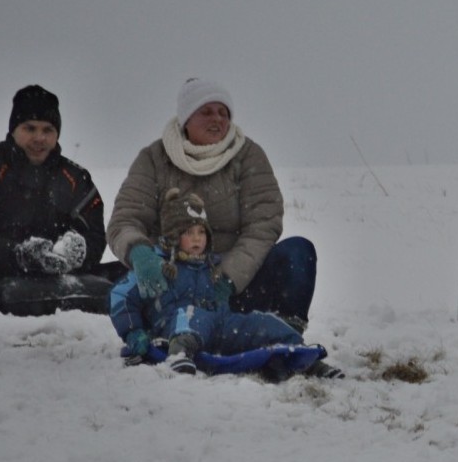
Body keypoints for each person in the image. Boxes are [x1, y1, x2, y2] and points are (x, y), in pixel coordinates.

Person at [107, 78, 316, 333]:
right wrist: (139, 252)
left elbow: (263, 225)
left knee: (298, 252)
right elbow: (125, 220)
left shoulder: (248, 156)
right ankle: (169, 331)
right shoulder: (153, 159)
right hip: (173, 289)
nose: (216, 119)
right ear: (186, 120)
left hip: (233, 289)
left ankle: (283, 335)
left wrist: (227, 279)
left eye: (223, 113)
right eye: (206, 112)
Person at [109, 188, 339, 380]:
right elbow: (121, 296)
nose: (197, 238)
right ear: (172, 236)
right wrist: (133, 332)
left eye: (201, 232)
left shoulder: (212, 266)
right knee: (191, 315)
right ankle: (180, 354)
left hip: (218, 327)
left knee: (263, 323)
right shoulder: (158, 266)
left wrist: (225, 287)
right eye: (188, 232)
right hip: (172, 327)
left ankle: (304, 358)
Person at [0, 85, 122, 318]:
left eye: (48, 130)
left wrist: (77, 252)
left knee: (129, 273)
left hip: (62, 276)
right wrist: (19, 254)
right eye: (30, 128)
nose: (39, 138)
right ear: (14, 129)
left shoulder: (76, 178)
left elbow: (94, 236)